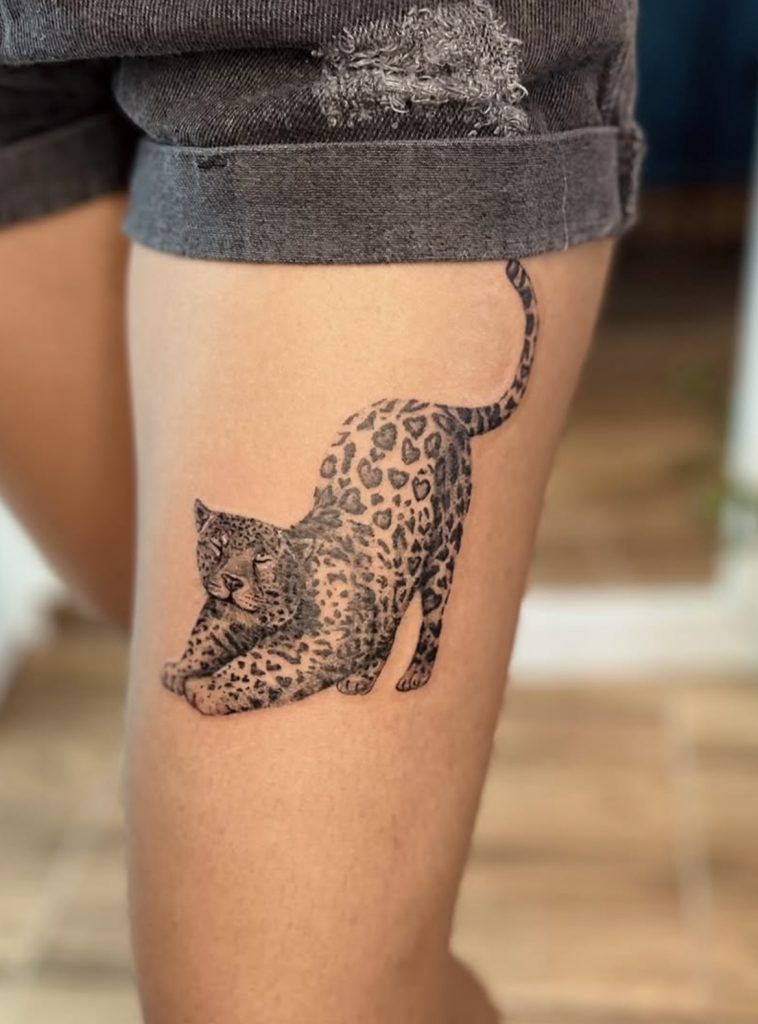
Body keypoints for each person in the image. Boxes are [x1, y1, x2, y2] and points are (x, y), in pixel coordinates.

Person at [0, 3, 644, 1021]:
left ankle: (414, 643)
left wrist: (225, 679)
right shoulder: (257, 564)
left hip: (359, 44)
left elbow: (297, 647)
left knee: (284, 998)